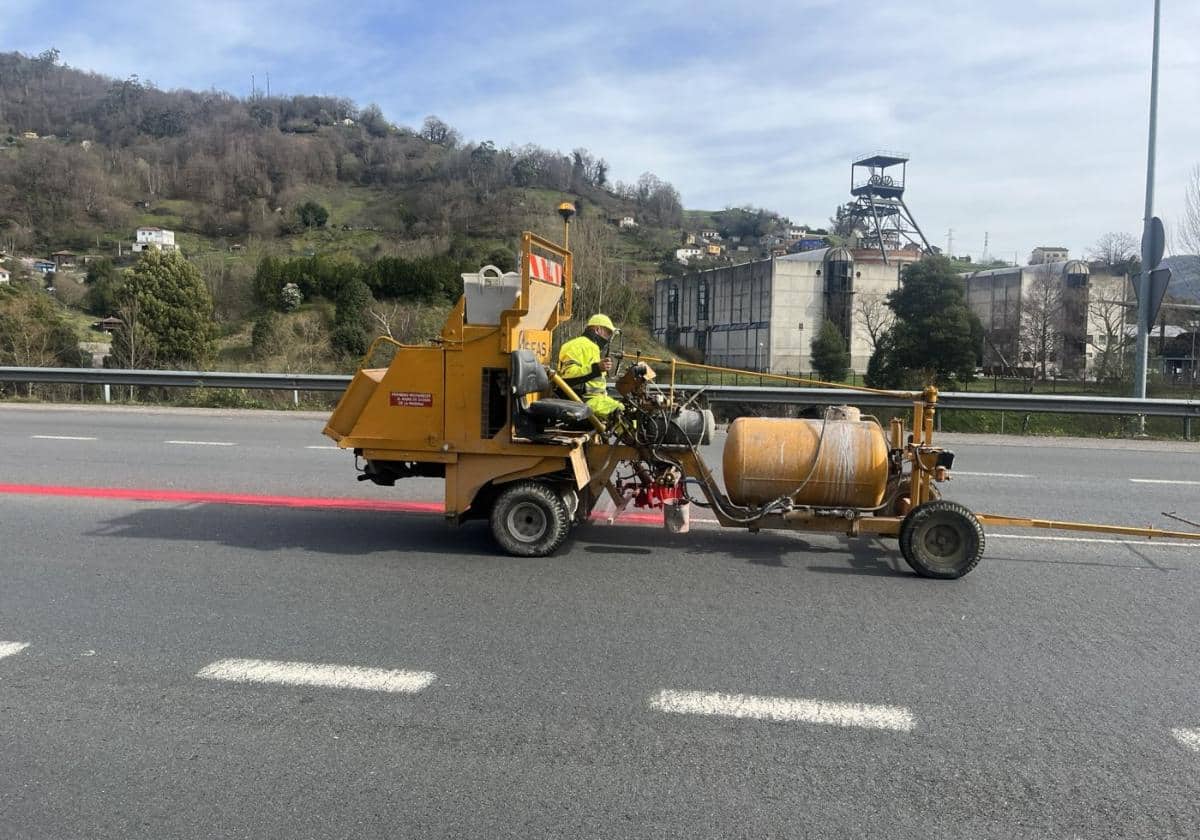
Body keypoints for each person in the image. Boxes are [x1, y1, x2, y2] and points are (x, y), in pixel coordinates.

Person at [558, 314, 623, 423]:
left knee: (627, 411)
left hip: (597, 399)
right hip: (584, 401)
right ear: (598, 330)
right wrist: (596, 368)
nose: (608, 339)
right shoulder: (575, 345)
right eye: (608, 333)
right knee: (623, 417)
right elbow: (567, 375)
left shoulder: (594, 348)